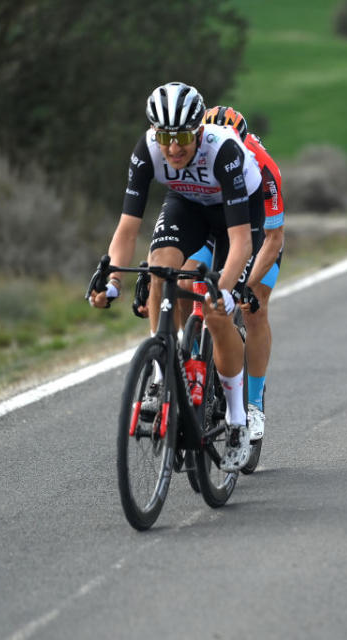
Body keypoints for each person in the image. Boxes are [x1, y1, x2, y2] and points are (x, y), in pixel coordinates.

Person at [88, 82, 264, 471]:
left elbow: (239, 243)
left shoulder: (225, 151)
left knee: (218, 312)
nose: (173, 148)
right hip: (188, 205)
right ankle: (161, 370)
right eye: (165, 136)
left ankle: (237, 420)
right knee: (158, 269)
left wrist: (224, 289)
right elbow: (127, 229)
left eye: (183, 136)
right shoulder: (147, 148)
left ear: (199, 130)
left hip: (237, 217)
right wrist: (113, 281)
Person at [179, 105, 286, 446]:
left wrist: (248, 285)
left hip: (256, 234)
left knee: (252, 308)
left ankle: (253, 405)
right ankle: (191, 357)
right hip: (215, 225)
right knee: (183, 281)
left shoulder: (264, 169)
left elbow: (274, 237)